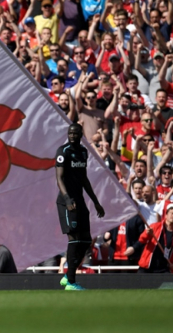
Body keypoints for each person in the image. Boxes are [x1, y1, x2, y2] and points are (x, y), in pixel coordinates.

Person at [55, 123, 105, 290]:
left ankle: (68, 276)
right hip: (67, 201)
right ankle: (70, 282)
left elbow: (84, 179)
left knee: (85, 241)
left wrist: (96, 201)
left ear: (81, 135)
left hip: (80, 200)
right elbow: (59, 178)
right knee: (74, 239)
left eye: (75, 133)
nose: (72, 135)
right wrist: (67, 199)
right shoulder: (63, 151)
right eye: (70, 133)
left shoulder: (83, 152)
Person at [136, 206, 173, 273]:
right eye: (172, 213)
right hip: (147, 266)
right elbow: (142, 240)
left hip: (164, 268)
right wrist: (147, 234)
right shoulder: (154, 226)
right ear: (166, 215)